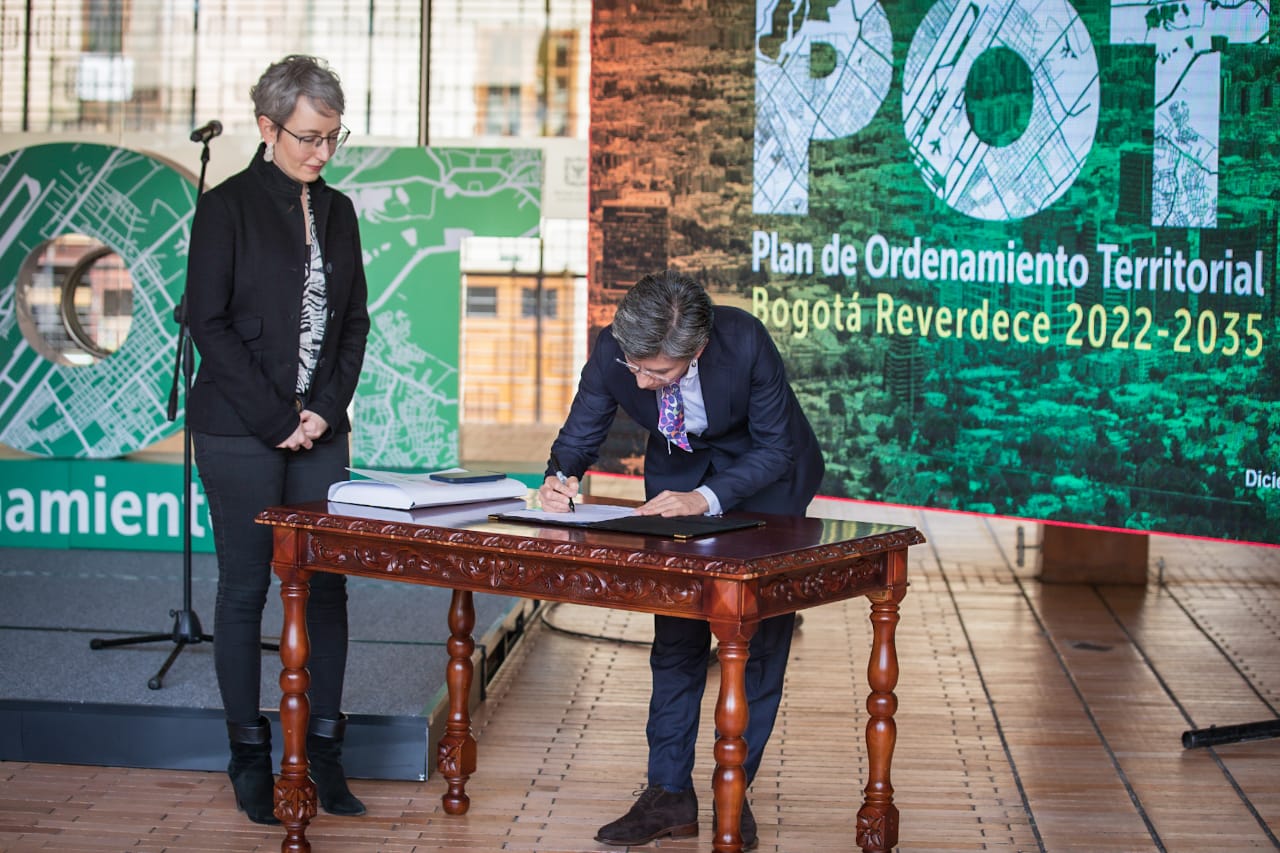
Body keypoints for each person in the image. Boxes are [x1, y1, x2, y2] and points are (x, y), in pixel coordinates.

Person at [539, 269, 825, 850]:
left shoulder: (744, 341)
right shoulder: (615, 350)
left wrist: (707, 499)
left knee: (757, 640)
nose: (642, 383)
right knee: (676, 636)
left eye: (659, 373)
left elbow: (777, 447)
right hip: (678, 475)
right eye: (634, 368)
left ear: (695, 349)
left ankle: (731, 789)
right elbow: (583, 426)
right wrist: (559, 476)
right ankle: (667, 792)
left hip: (767, 478)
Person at [185, 54, 370, 825]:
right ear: (267, 127)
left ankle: (323, 749)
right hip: (237, 430)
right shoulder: (225, 207)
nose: (322, 153)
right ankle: (249, 753)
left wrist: (323, 409)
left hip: (319, 428)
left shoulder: (340, 211)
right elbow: (208, 322)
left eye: (333, 138)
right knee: (245, 587)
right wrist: (276, 420)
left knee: (326, 584)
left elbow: (353, 322)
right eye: (308, 138)